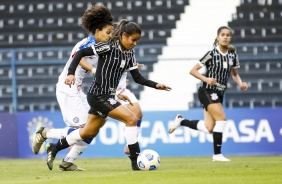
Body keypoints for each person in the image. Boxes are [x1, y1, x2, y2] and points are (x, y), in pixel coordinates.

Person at [45, 19, 172, 171]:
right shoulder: (108, 46)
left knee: (88, 132)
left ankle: (54, 147)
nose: (135, 43)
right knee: (131, 119)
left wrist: (156, 85)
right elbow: (80, 53)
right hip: (98, 95)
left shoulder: (130, 54)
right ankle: (135, 162)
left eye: (137, 41)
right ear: (124, 36)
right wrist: (71, 73)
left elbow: (138, 78)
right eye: (133, 40)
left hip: (108, 96)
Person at [31, 4, 114, 171]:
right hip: (67, 87)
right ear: (97, 31)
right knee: (85, 128)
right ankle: (44, 133)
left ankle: (67, 161)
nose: (110, 36)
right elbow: (77, 56)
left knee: (95, 125)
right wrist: (90, 70)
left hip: (77, 89)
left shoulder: (102, 48)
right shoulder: (87, 43)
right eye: (108, 32)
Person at [169, 26, 248, 161]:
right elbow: (193, 70)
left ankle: (181, 121)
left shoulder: (233, 55)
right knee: (222, 119)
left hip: (220, 92)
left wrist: (240, 83)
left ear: (230, 38)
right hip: (207, 90)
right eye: (222, 35)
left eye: (228, 35)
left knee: (209, 128)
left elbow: (235, 74)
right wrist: (206, 79)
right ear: (217, 37)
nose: (225, 37)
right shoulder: (211, 54)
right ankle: (217, 155)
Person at [115, 64, 144, 154]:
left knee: (137, 113)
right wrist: (129, 68)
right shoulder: (107, 53)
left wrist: (134, 69)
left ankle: (130, 145)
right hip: (105, 92)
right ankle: (72, 153)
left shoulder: (128, 54)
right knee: (90, 129)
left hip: (122, 90)